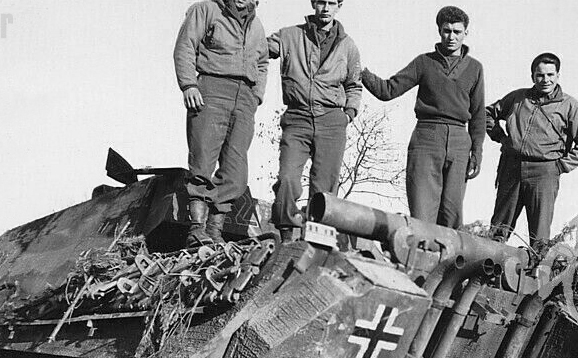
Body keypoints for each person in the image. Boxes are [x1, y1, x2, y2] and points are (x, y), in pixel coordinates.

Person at [360, 6, 484, 228]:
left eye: (457, 31)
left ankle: (446, 253)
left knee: (451, 214)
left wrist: (477, 153)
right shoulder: (424, 62)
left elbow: (478, 115)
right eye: (447, 31)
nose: (452, 37)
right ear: (439, 31)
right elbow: (388, 90)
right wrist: (362, 73)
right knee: (422, 212)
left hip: (459, 141)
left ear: (466, 32)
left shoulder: (475, 68)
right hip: (427, 137)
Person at [173, 0, 268, 246]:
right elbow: (185, 45)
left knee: (236, 173)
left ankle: (215, 232)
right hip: (212, 88)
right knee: (202, 160)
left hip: (244, 98)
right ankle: (196, 229)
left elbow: (262, 62)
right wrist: (189, 84)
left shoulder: (257, 25)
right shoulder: (206, 10)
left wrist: (256, 95)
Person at [268, 0, 362, 242]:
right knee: (287, 178)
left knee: (325, 187)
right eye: (321, 2)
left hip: (331, 121)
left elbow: (354, 85)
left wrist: (349, 113)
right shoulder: (289, 35)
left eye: (332, 3)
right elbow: (257, 48)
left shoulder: (348, 45)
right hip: (297, 118)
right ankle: (286, 235)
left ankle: (315, 241)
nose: (326, 8)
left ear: (339, 6)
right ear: (313, 3)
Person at [486, 52, 578, 250]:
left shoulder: (570, 106)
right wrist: (501, 137)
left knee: (539, 236)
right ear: (533, 76)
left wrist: (560, 166)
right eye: (540, 75)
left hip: (544, 173)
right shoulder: (518, 98)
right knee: (498, 229)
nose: (545, 80)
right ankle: (487, 268)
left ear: (558, 76)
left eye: (550, 75)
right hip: (511, 167)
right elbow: (487, 114)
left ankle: (536, 268)